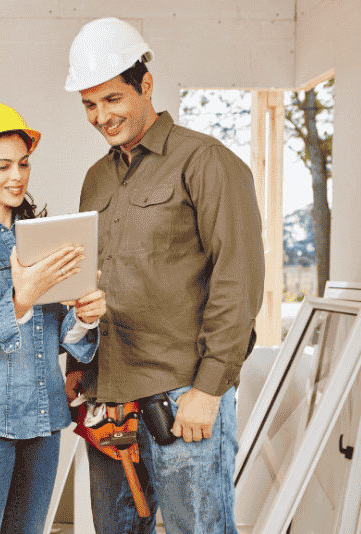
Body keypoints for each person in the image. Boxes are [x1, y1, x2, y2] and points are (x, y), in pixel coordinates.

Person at [62, 18, 265, 534]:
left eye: (111, 99)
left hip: (181, 399)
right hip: (110, 402)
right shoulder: (96, 179)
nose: (100, 117)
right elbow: (92, 282)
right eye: (89, 104)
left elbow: (237, 279)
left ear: (145, 85)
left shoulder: (206, 162)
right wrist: (78, 370)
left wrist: (210, 390)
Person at [0, 99, 107, 534]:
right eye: (2, 166)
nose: (17, 177)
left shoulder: (42, 236)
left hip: (44, 418)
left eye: (24, 165)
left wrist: (86, 316)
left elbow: (62, 336)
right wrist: (20, 299)